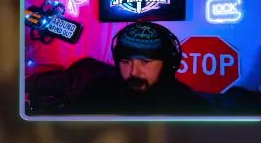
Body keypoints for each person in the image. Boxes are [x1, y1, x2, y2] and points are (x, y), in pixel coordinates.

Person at [30, 21, 208, 116]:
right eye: (126, 62)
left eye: (145, 62)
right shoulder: (98, 91)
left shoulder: (189, 106)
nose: (134, 72)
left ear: (167, 64)